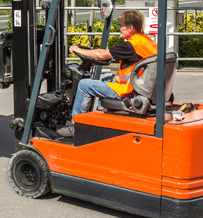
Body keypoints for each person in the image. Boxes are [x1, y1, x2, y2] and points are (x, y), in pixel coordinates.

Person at [57, 9, 157, 138]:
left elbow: (101, 55)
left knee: (84, 85)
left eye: (121, 25)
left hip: (131, 92)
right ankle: (102, 119)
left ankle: (77, 127)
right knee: (106, 78)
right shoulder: (147, 42)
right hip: (141, 88)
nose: (119, 28)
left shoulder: (131, 46)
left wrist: (78, 50)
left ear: (130, 28)